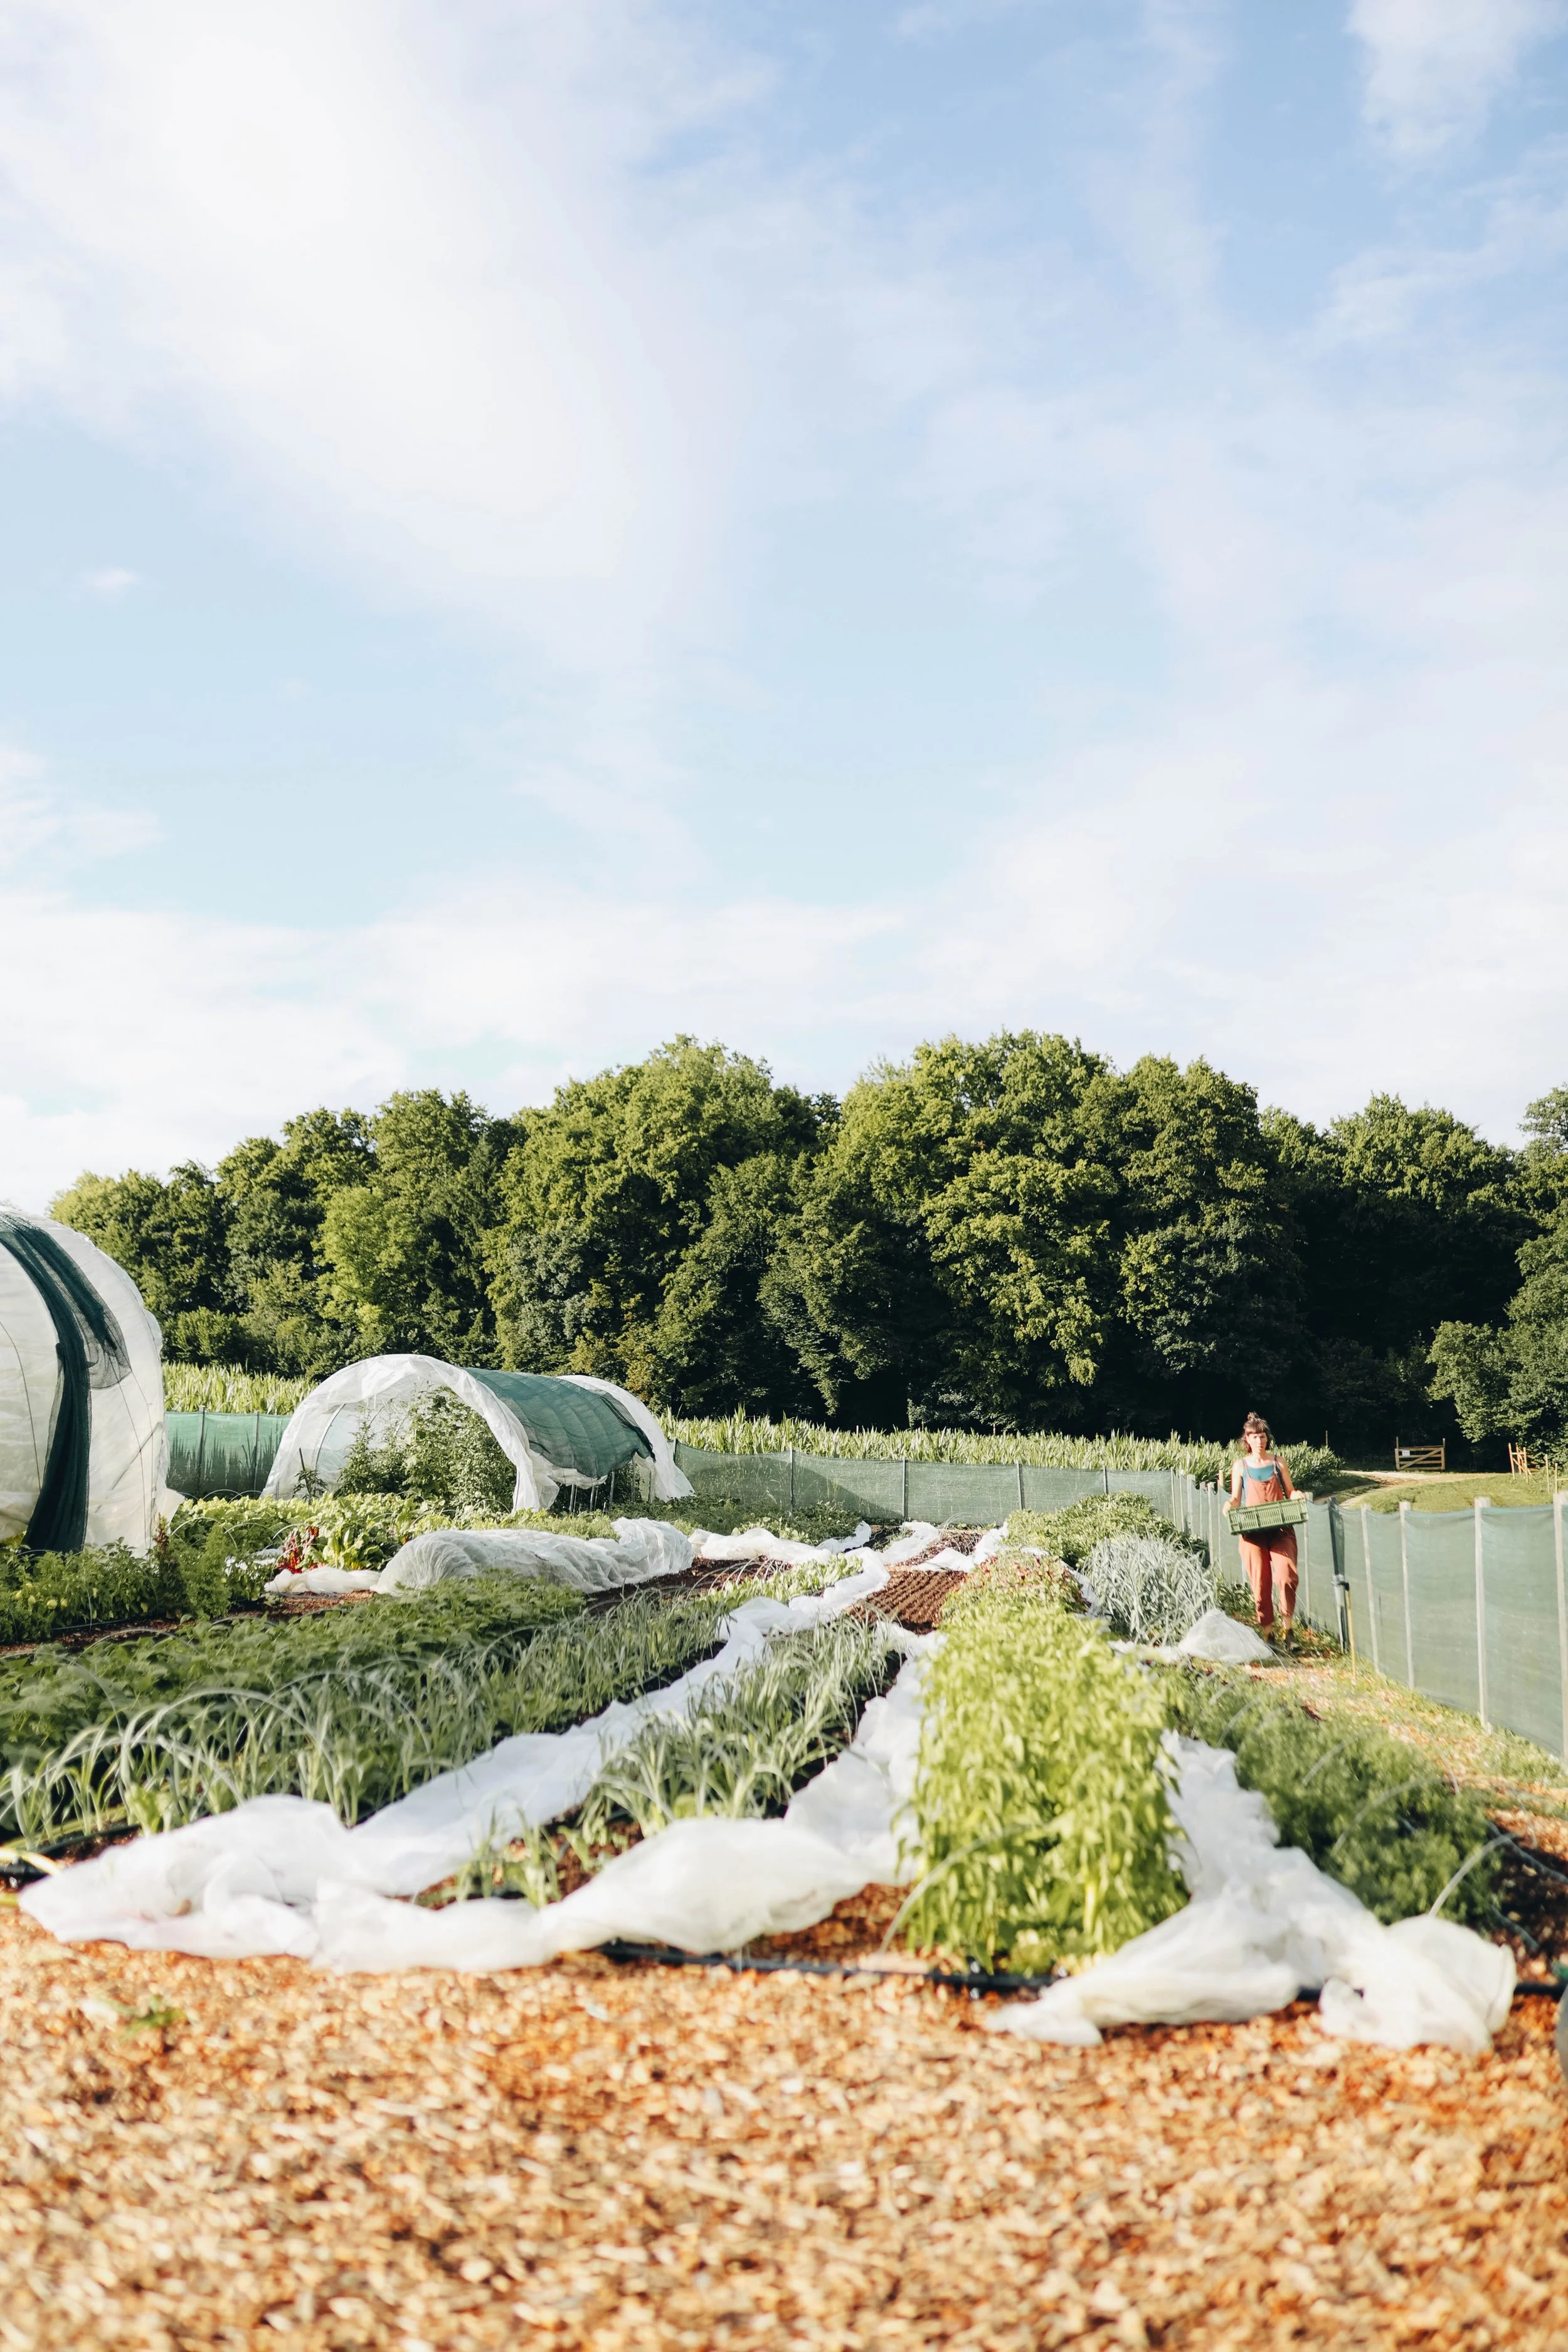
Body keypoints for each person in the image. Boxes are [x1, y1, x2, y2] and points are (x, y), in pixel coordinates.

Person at [1226, 1411, 1298, 1645]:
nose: (1260, 1440)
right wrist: (1229, 1505)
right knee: (1261, 1583)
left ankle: (1288, 1630)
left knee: (1287, 1577)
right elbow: (1236, 1498)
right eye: (1255, 1436)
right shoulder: (1240, 1466)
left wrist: (1298, 1496)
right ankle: (1268, 1632)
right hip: (1253, 1533)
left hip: (1280, 1528)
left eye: (1263, 1435)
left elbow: (1290, 1490)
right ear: (1247, 1439)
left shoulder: (1278, 1462)